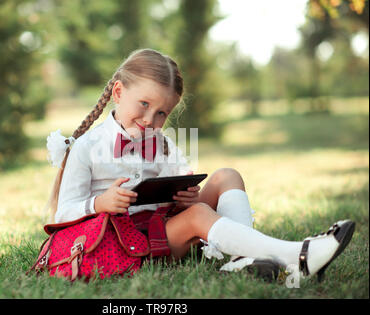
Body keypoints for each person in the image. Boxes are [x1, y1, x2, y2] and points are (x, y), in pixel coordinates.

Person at [43, 48, 355, 282]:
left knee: (227, 176)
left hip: (160, 227)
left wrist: (183, 197)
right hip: (124, 244)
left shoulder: (161, 144)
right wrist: (101, 202)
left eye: (162, 113)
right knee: (199, 216)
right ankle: (295, 257)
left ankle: (243, 258)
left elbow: (167, 196)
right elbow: (63, 212)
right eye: (144, 105)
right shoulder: (86, 147)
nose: (151, 121)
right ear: (119, 92)